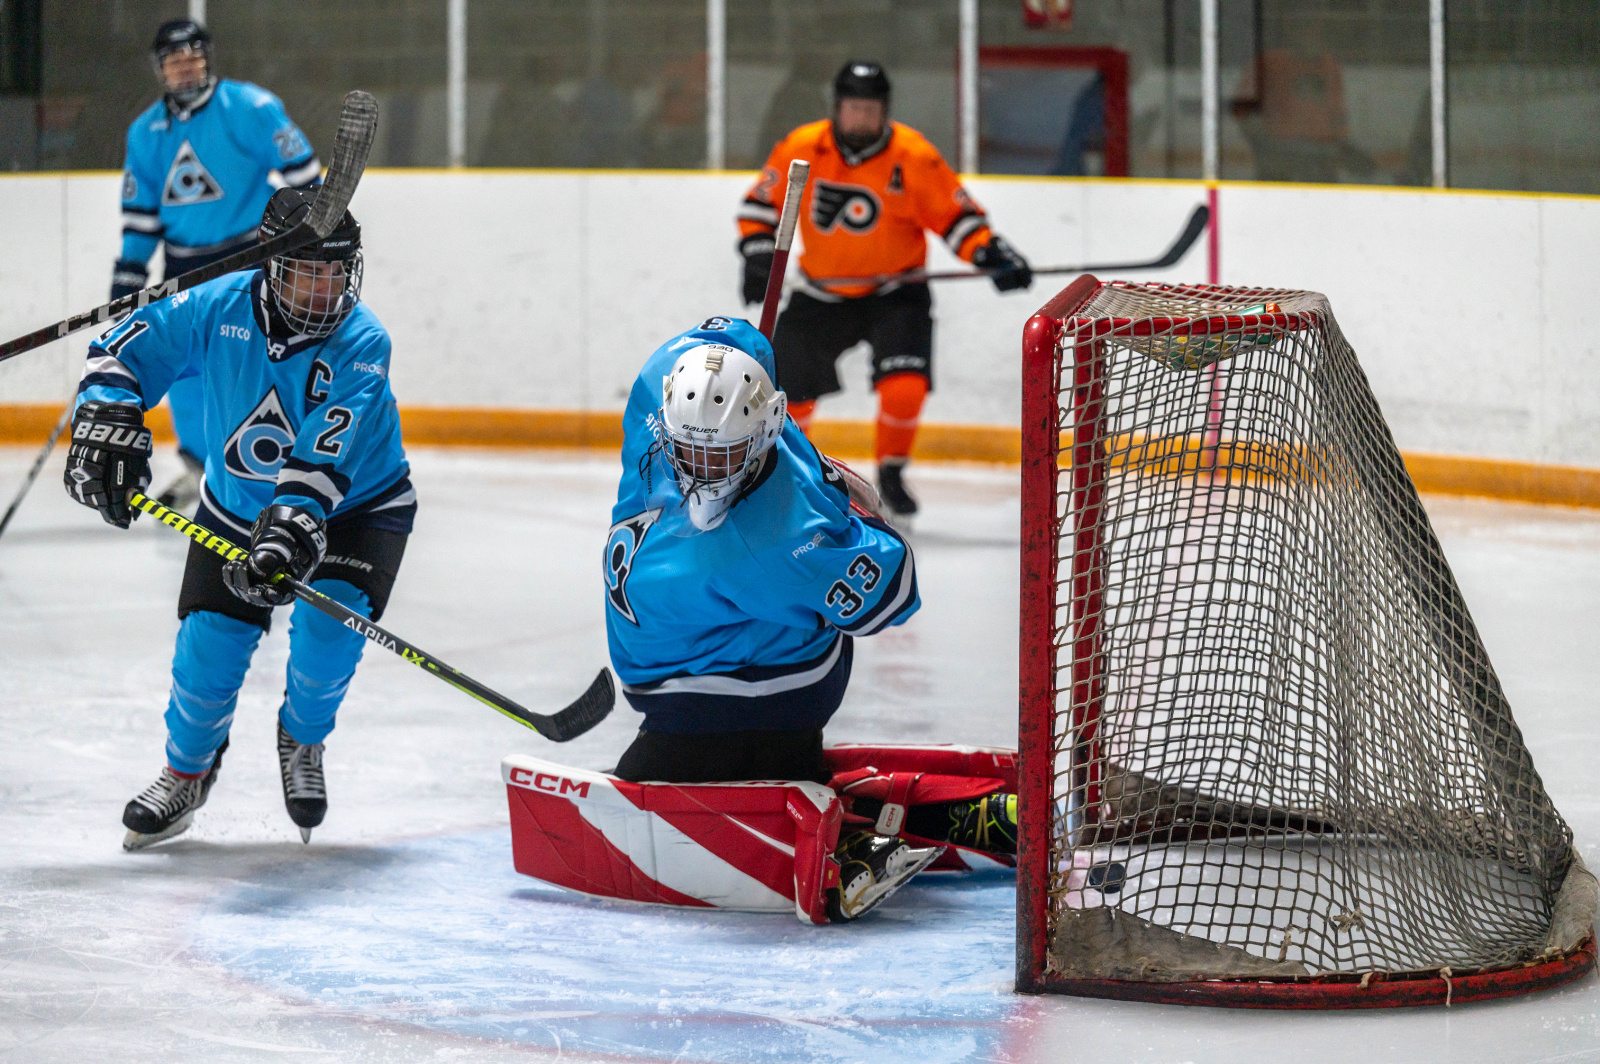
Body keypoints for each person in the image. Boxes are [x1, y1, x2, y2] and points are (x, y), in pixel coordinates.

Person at [66, 188, 415, 851]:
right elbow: (119, 350)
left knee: (326, 641)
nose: (325, 290)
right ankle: (185, 773)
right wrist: (108, 414)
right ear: (271, 266)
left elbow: (322, 460)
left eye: (336, 273)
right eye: (308, 272)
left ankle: (302, 739)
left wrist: (287, 533)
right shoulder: (214, 304)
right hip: (236, 505)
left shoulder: (364, 342)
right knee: (207, 651)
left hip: (356, 510)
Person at [603, 315, 943, 920]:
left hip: (751, 693)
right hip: (686, 667)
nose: (704, 469)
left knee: (687, 765)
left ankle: (813, 795)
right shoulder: (671, 385)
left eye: (724, 452)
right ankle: (805, 776)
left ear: (768, 427)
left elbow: (896, 597)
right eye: (691, 448)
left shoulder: (783, 540)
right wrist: (838, 497)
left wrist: (842, 508)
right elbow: (735, 337)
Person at [737, 60, 1033, 518]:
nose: (861, 117)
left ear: (885, 111)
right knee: (788, 389)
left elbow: (955, 218)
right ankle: (789, 471)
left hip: (896, 292)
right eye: (853, 108)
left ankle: (891, 473)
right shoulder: (803, 147)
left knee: (905, 387)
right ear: (837, 107)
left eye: (870, 109)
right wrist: (759, 255)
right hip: (821, 293)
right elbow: (760, 207)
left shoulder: (913, 155)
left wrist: (989, 253)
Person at [113, 18, 322, 509]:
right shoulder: (145, 133)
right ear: (160, 69)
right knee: (185, 369)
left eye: (192, 58)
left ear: (207, 60)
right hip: (184, 268)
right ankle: (202, 468)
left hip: (250, 260)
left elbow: (306, 178)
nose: (185, 69)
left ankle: (279, 466)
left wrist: (303, 234)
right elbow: (141, 221)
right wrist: (127, 279)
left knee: (262, 362)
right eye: (174, 61)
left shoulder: (249, 107)